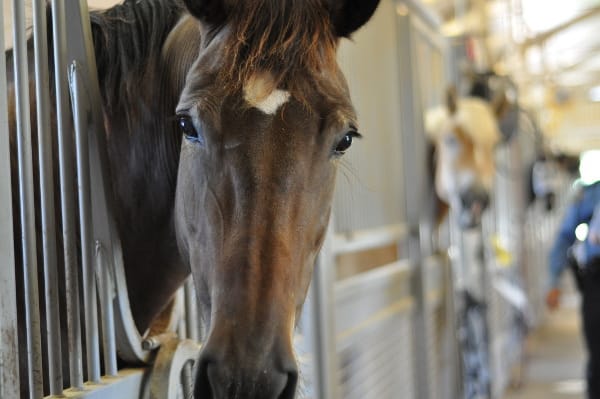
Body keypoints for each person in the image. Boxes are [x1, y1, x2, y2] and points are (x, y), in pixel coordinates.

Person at [546, 180, 600, 399]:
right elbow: (564, 238)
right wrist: (553, 282)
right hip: (596, 282)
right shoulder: (590, 195)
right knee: (598, 355)